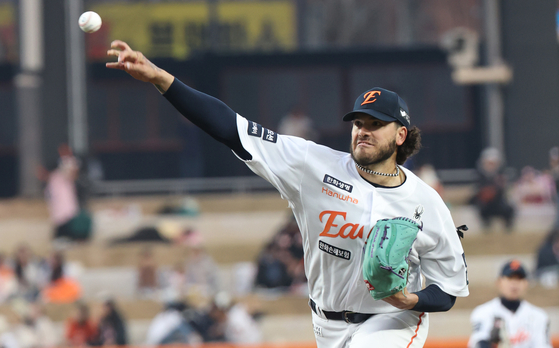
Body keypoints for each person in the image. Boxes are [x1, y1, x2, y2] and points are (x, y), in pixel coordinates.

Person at [106, 40, 469, 347]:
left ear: (401, 135)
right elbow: (229, 127)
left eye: (376, 124)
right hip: (325, 324)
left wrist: (411, 299)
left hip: (393, 321)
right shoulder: (313, 165)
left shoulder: (426, 202)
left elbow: (448, 289)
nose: (363, 130)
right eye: (359, 122)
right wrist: (159, 79)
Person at [468, 260, 551, 348]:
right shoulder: (483, 312)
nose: (514, 283)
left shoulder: (539, 316)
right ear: (499, 282)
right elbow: (479, 343)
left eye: (519, 278)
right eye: (510, 278)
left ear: (526, 283)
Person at [472, 147, 515, 231]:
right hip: (486, 206)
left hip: (499, 204)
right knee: (481, 209)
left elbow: (503, 191)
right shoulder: (480, 177)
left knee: (509, 209)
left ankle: (508, 228)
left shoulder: (501, 176)